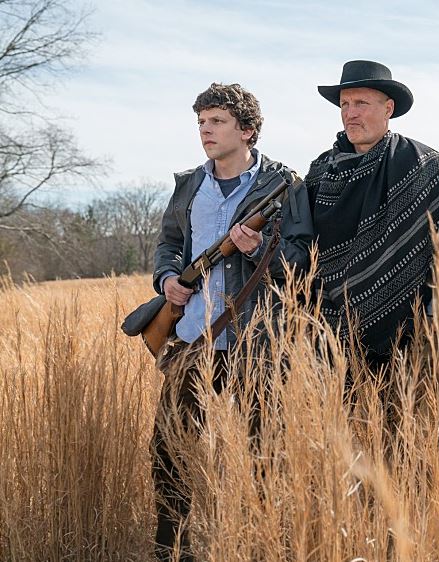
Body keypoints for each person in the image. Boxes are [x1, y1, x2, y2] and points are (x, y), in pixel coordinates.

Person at [150, 82, 314, 561]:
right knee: (170, 451)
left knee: (263, 454)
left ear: (247, 131)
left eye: (217, 121)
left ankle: (259, 546)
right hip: (193, 339)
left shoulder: (284, 186)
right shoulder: (189, 185)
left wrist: (258, 248)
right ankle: (172, 550)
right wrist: (168, 279)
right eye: (201, 122)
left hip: (255, 342)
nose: (206, 130)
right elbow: (168, 244)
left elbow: (302, 259)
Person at [305, 60, 439, 367]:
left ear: (388, 108)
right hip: (326, 337)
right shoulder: (320, 172)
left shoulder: (426, 167)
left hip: (408, 340)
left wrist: (437, 321)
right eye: (345, 104)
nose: (350, 113)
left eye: (361, 103)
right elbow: (303, 249)